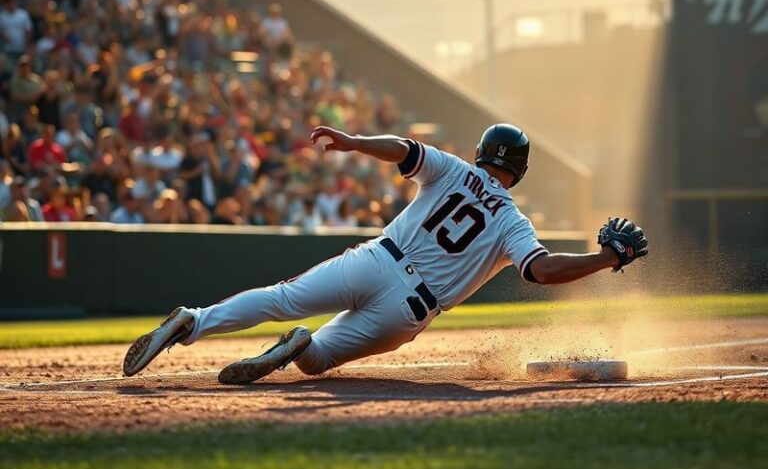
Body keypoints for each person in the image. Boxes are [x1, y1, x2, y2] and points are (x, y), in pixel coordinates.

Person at [123, 124, 649, 383]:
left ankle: (192, 321)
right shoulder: (513, 220)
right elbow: (541, 271)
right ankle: (301, 346)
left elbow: (404, 148)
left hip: (377, 258)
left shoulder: (453, 169)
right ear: (521, 170)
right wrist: (607, 258)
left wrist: (353, 141)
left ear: (481, 154)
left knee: (282, 297)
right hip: (409, 310)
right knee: (318, 363)